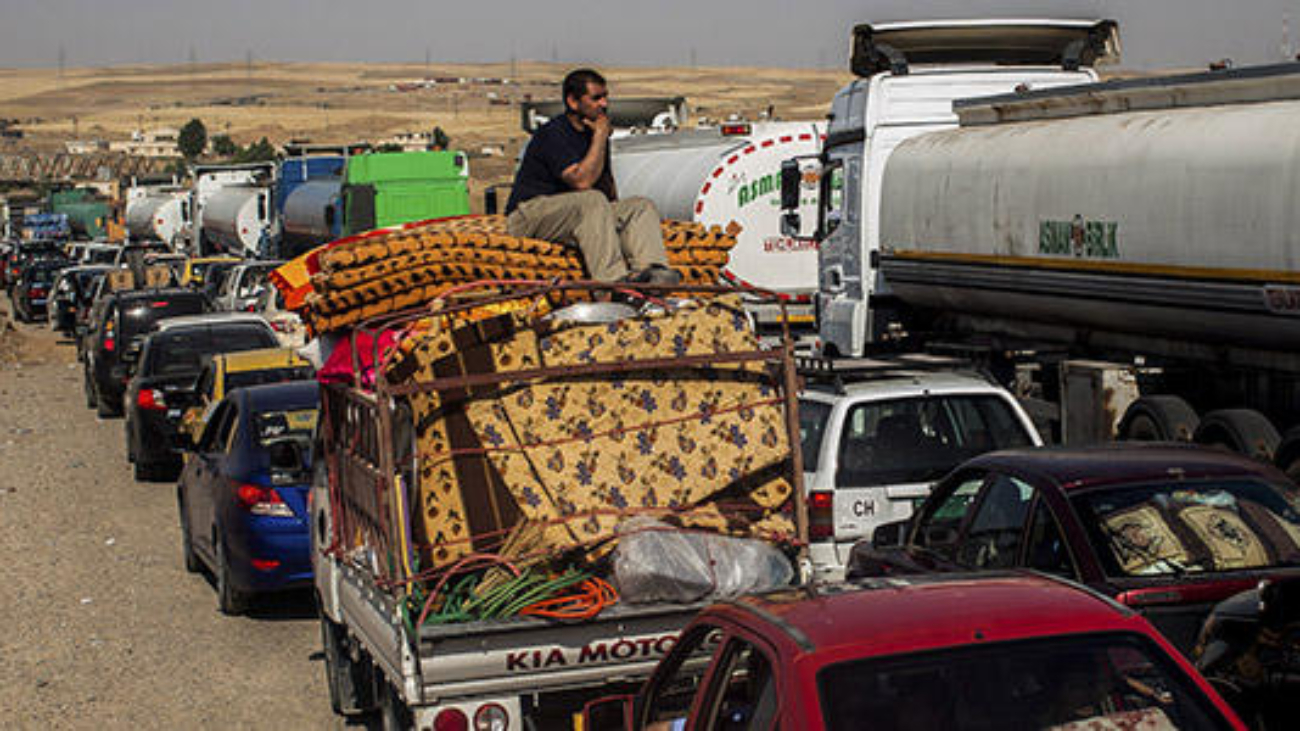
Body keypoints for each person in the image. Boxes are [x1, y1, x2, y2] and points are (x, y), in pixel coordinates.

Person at [506, 68, 680, 285]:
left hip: (577, 212)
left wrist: (615, 221)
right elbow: (581, 182)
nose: (604, 104)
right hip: (532, 215)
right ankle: (612, 281)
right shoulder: (554, 134)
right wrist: (600, 135)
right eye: (596, 98)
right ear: (573, 101)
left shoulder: (594, 136)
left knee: (640, 207)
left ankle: (653, 272)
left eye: (606, 97)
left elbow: (607, 185)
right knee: (592, 199)